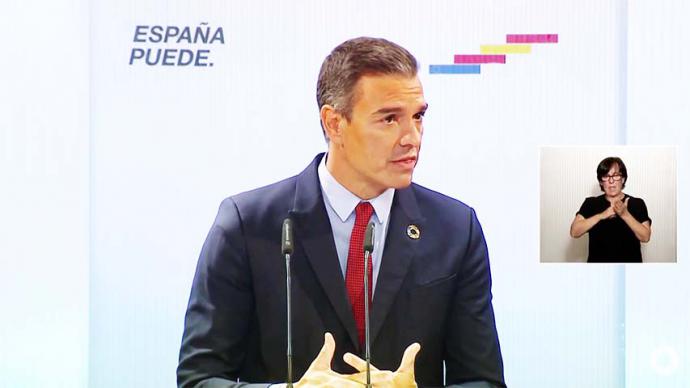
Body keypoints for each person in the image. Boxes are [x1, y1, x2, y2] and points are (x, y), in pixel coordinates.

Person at [177, 37, 505, 387]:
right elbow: (200, 378)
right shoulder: (247, 224)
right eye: (390, 119)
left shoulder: (455, 229)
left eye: (418, 116)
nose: (412, 138)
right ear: (335, 123)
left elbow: (482, 380)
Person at [570, 157, 652, 262]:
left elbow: (645, 237)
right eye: (606, 176)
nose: (611, 181)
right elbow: (574, 232)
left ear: (623, 179)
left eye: (616, 175)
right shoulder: (591, 203)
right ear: (600, 181)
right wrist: (602, 215)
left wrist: (625, 214)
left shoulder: (637, 203)